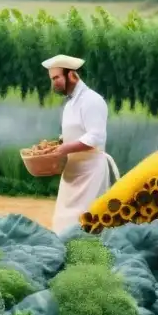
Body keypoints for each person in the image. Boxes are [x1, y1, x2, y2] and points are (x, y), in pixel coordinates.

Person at [42, 54, 120, 233]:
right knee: (63, 222)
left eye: (56, 78)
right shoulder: (69, 105)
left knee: (85, 222)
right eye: (52, 79)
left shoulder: (92, 100)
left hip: (90, 172)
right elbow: (76, 133)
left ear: (71, 75)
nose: (54, 83)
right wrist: (60, 143)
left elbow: (96, 136)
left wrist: (64, 148)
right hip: (72, 172)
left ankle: (87, 258)